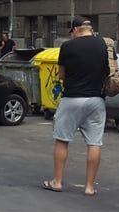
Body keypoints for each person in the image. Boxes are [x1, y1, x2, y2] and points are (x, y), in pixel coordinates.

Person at [42, 18, 108, 197]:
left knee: (62, 140)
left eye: (72, 32)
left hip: (72, 98)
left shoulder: (68, 47)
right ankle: (89, 187)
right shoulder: (105, 45)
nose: (71, 35)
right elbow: (110, 71)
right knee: (94, 143)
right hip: (96, 100)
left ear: (77, 30)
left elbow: (62, 76)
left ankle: (57, 182)